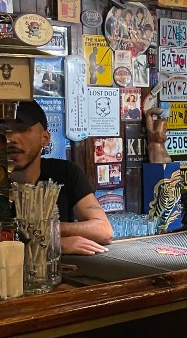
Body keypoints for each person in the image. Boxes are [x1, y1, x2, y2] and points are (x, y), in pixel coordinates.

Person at [6, 101, 112, 255]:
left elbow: (103, 230)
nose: (13, 138)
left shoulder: (65, 173)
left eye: (23, 129)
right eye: (5, 131)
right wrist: (52, 243)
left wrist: (49, 233)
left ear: (45, 138)